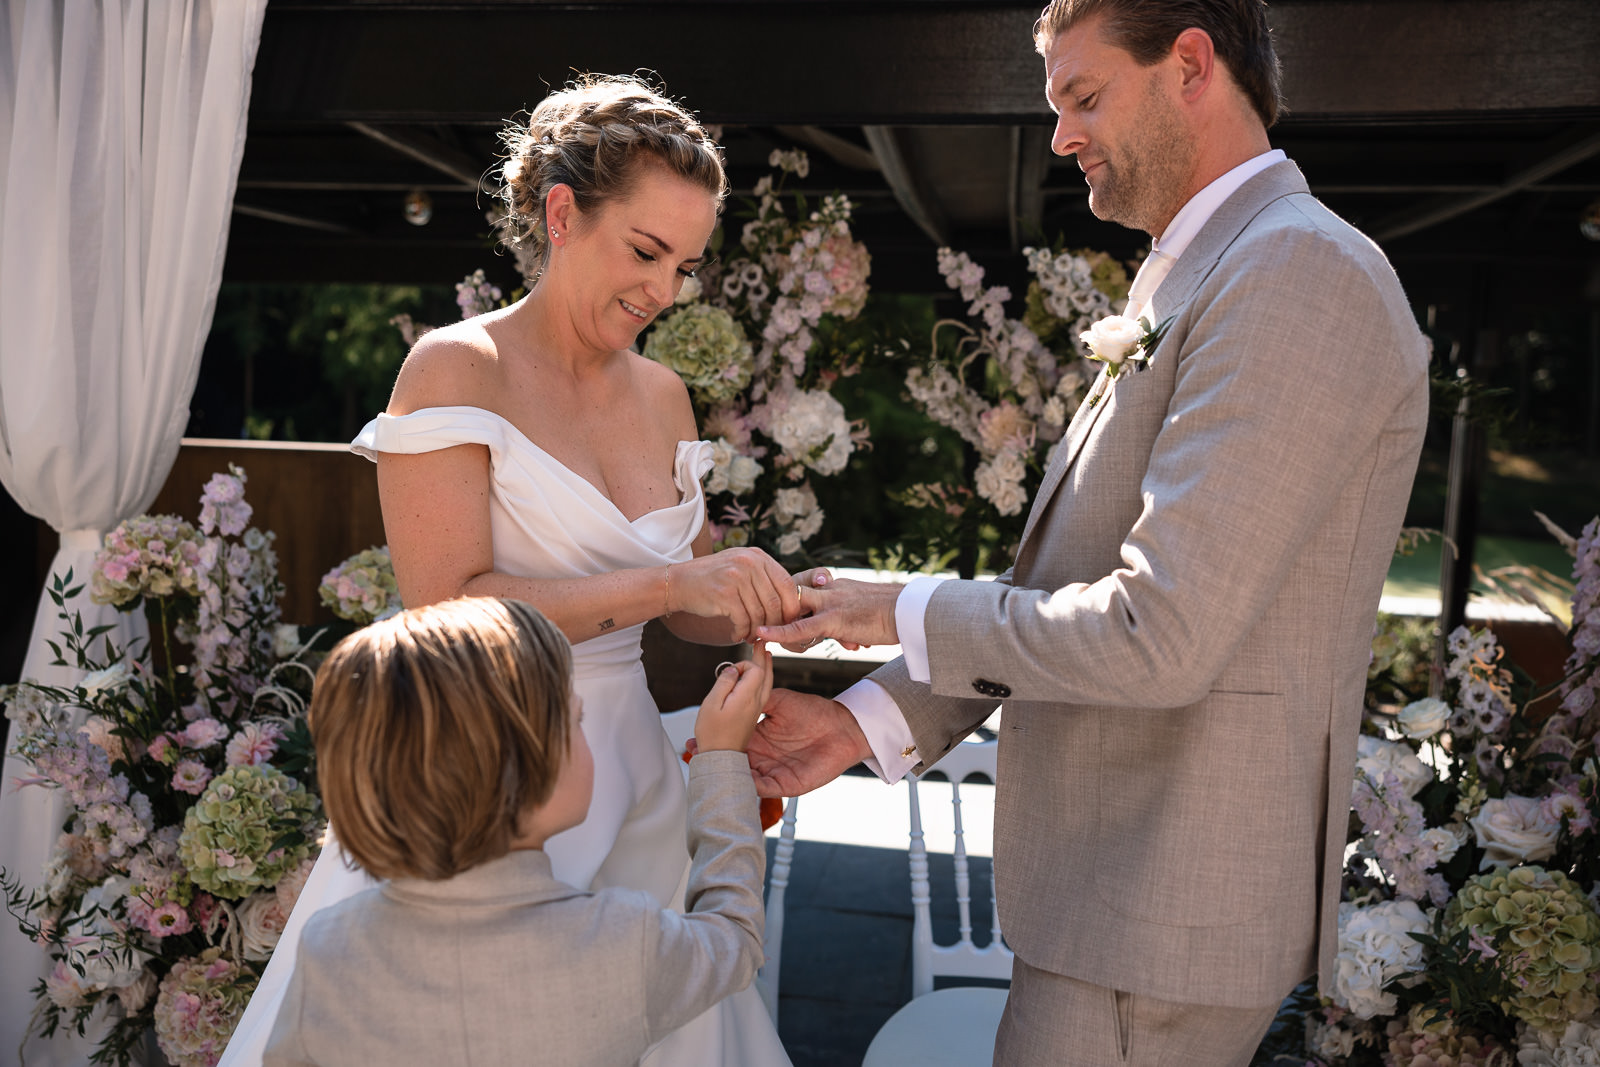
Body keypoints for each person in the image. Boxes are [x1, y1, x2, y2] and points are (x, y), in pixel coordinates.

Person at [751, 2, 1431, 1063]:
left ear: (1191, 65)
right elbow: (1067, 576)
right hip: (1114, 903)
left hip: (1157, 911)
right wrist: (863, 723)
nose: (1062, 135)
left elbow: (1153, 631)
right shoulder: (1221, 267)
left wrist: (895, 605)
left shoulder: (1297, 273)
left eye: (1083, 96)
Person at [222, 74, 796, 1067]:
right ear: (564, 214)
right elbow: (449, 609)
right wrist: (669, 588)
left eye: (685, 265)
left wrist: (761, 597)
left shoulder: (663, 394)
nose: (664, 290)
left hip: (640, 779)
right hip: (485, 770)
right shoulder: (455, 368)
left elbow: (691, 603)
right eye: (647, 251)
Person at [262, 598, 775, 1067]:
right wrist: (721, 758)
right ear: (534, 769)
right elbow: (735, 933)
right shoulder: (624, 942)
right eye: (577, 722)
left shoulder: (329, 950)